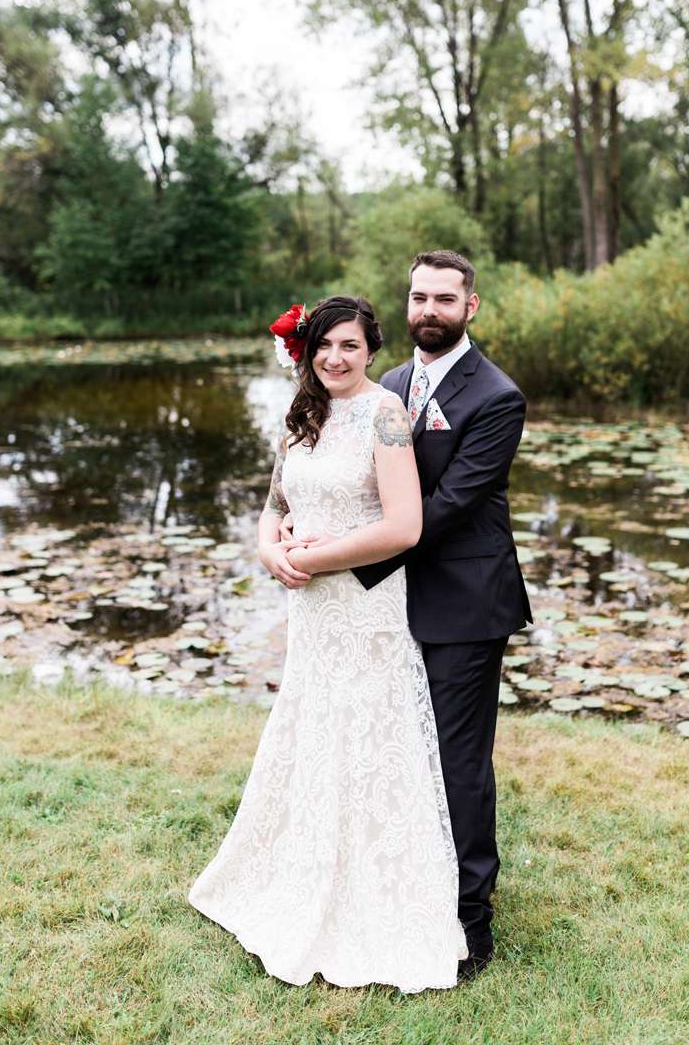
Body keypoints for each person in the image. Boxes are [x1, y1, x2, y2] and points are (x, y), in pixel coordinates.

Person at [188, 295, 468, 994]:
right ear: (307, 350)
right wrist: (269, 550)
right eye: (324, 345)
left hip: (364, 606)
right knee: (314, 725)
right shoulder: (301, 415)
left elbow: (404, 528)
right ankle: (301, 866)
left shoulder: (387, 414)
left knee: (367, 732)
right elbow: (276, 505)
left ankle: (375, 891)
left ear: (371, 350)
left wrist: (314, 559)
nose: (335, 358)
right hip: (311, 613)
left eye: (349, 345)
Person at [351, 250, 532, 978]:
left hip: (465, 601)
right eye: (418, 296)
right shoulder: (391, 385)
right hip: (394, 601)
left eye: (444, 299)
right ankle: (407, 881)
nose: (429, 310)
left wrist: (350, 559)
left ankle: (470, 916)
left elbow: (452, 503)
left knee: (459, 761)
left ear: (471, 306)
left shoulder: (497, 397)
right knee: (402, 745)